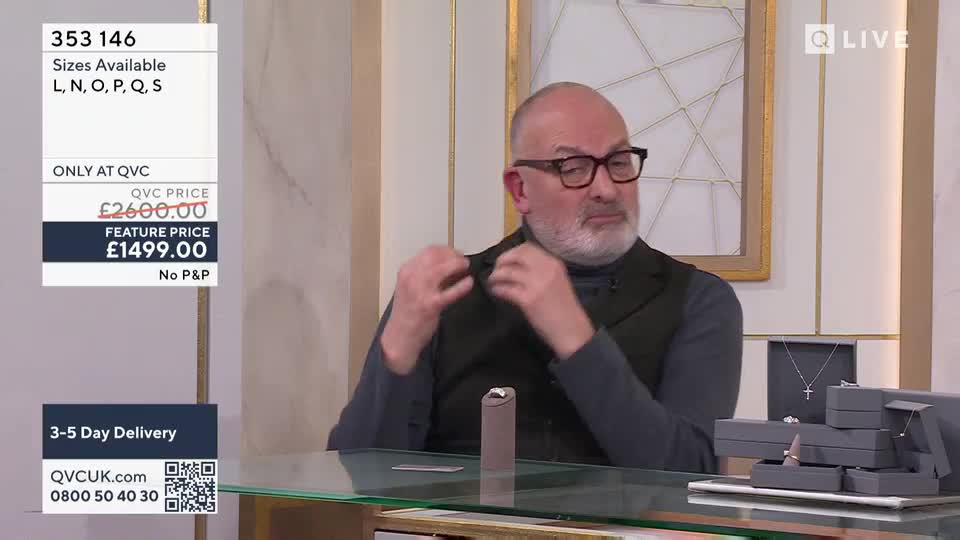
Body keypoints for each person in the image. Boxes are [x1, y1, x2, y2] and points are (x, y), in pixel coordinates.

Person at [327, 81, 743, 473]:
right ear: (520, 190)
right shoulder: (447, 293)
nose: (607, 189)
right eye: (574, 168)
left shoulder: (699, 300)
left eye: (618, 163)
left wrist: (577, 340)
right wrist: (396, 356)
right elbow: (358, 478)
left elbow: (690, 473)